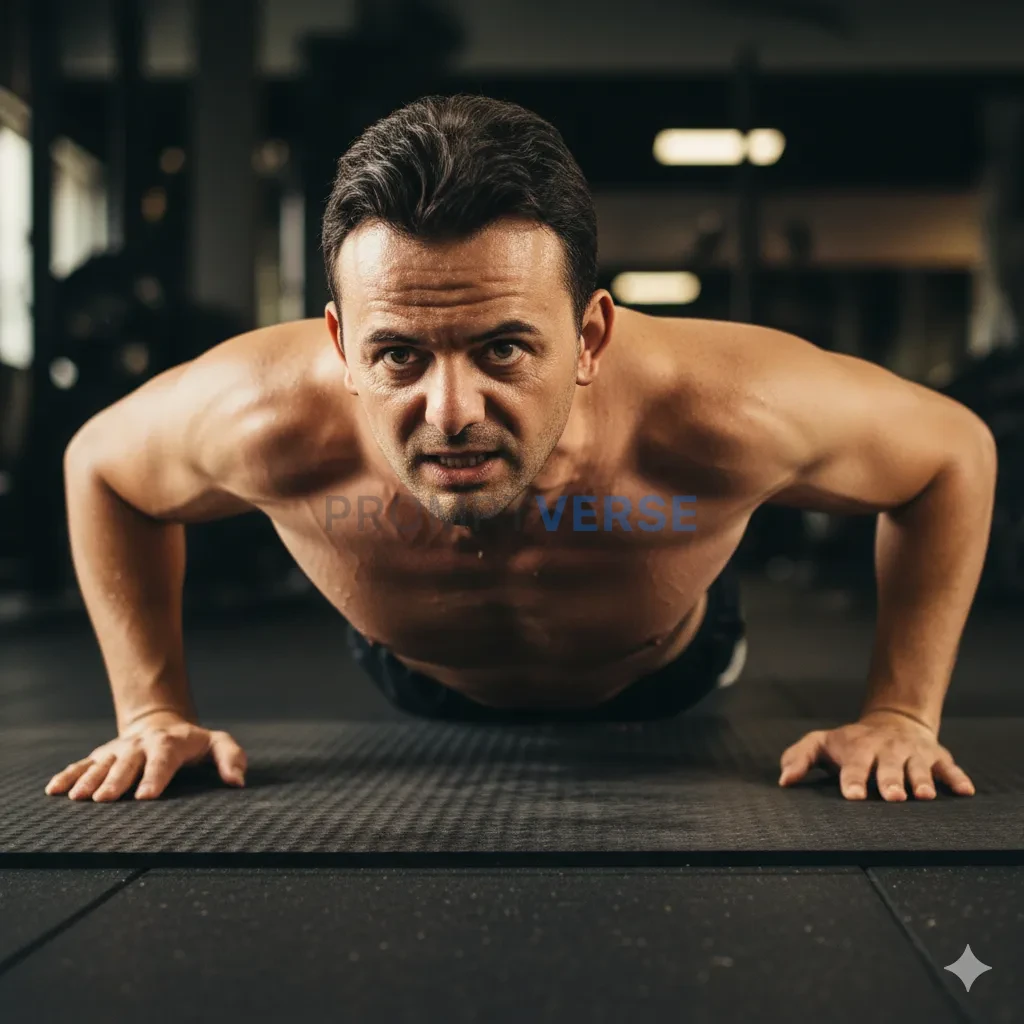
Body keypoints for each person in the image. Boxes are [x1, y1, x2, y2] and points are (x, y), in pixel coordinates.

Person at [45, 95, 994, 806]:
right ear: (339, 344)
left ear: (589, 337)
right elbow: (102, 466)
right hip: (415, 673)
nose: (450, 411)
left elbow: (952, 450)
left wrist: (899, 713)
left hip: (668, 672)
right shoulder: (261, 413)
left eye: (502, 348)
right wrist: (153, 711)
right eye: (398, 356)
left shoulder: (725, 408)